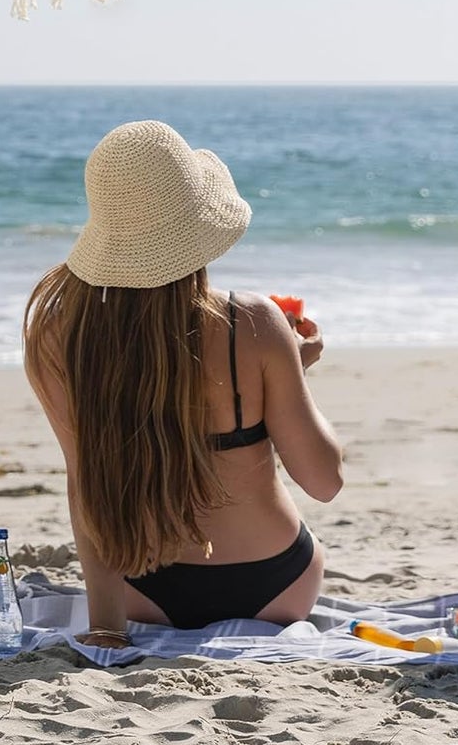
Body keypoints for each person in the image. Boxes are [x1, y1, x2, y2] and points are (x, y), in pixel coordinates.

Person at [23, 120, 343, 649]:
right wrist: (290, 377)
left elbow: (84, 485)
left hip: (139, 592)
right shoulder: (255, 324)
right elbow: (324, 481)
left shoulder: (59, 337)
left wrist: (106, 626)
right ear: (198, 228)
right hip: (277, 587)